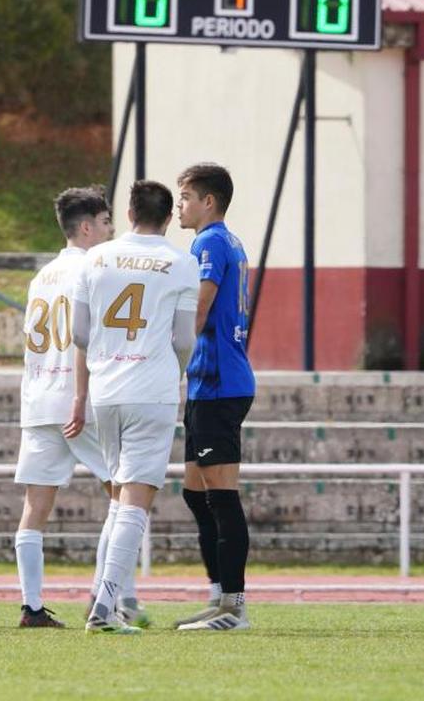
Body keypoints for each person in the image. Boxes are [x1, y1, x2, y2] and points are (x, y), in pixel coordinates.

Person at [72, 180, 198, 635]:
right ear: (167, 219)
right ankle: (105, 608)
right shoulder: (181, 263)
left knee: (118, 498)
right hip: (152, 388)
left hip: (106, 389)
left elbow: (81, 333)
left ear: (128, 213)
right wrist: (174, 369)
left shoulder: (96, 257)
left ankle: (113, 597)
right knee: (136, 501)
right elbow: (184, 339)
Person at [14, 187, 133, 629]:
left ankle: (32, 606)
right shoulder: (94, 268)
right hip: (77, 399)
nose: (110, 231)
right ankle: (107, 599)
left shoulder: (41, 275)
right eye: (105, 223)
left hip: (39, 398)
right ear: (87, 227)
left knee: (35, 508)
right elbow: (88, 338)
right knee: (124, 495)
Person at [174, 163, 257, 632]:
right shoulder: (229, 241)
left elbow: (199, 313)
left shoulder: (208, 243)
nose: (179, 205)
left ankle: (234, 606)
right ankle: (218, 595)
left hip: (218, 383)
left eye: (185, 197)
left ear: (209, 201)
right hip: (212, 383)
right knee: (194, 492)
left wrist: (165, 361)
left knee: (222, 497)